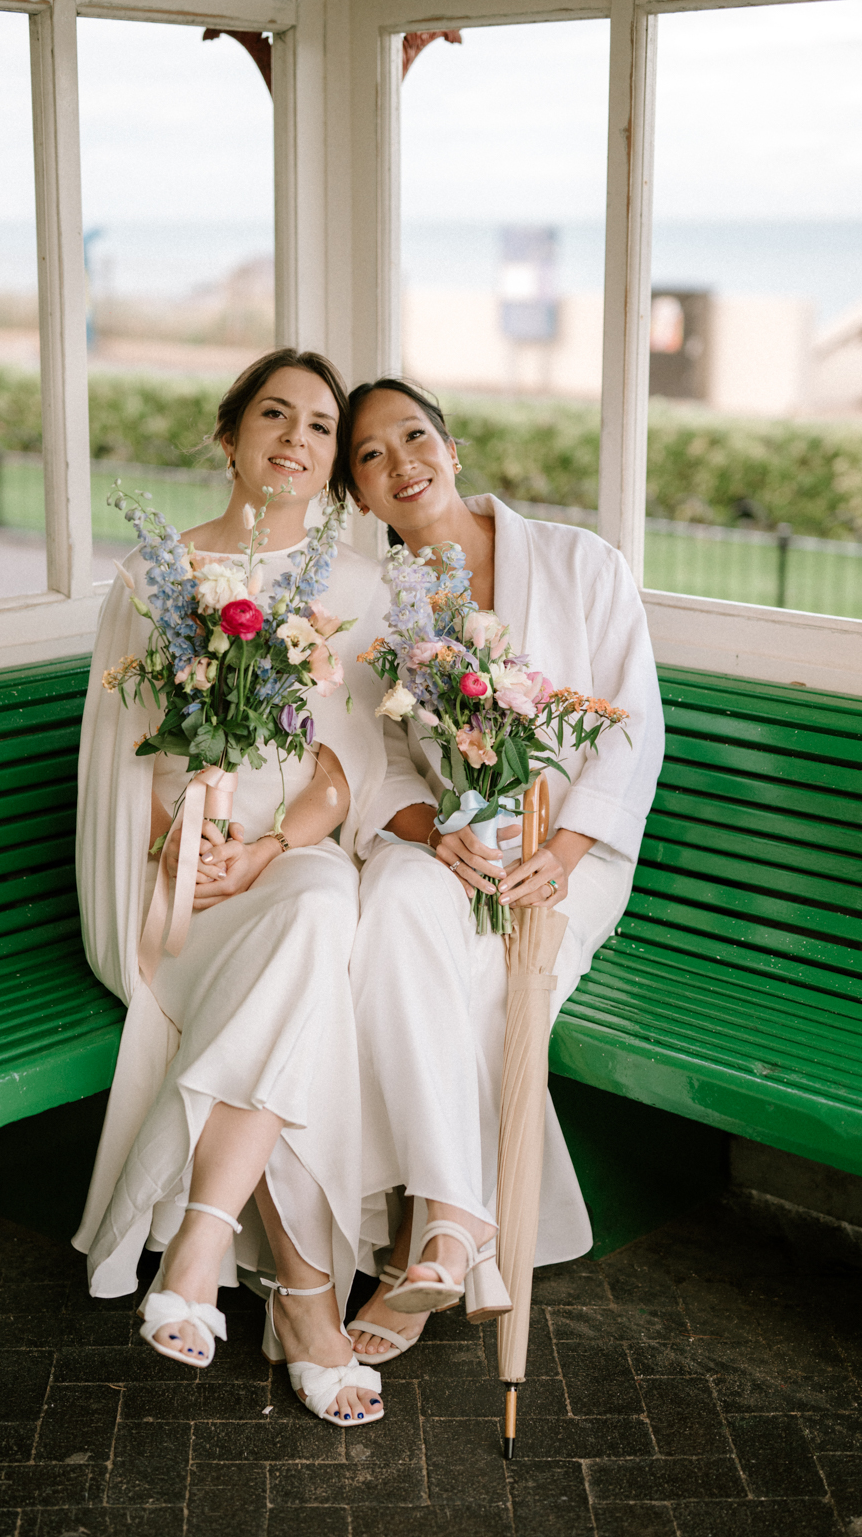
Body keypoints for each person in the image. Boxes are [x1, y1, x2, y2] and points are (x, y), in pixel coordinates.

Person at [72, 350, 414, 1425]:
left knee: (317, 904)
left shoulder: (353, 589)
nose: (297, 438)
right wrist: (184, 842)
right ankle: (306, 1305)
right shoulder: (156, 578)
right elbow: (119, 761)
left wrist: (267, 849)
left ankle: (200, 1241)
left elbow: (343, 770)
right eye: (275, 414)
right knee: (303, 966)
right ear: (231, 436)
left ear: (332, 463)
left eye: (321, 427)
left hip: (285, 851)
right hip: (175, 875)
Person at [344, 378, 665, 1363]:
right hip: (461, 847)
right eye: (369, 454)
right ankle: (461, 1218)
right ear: (356, 494)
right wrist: (432, 834)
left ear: (451, 449)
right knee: (388, 902)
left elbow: (632, 726)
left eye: (414, 436)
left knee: (487, 979)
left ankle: (425, 1240)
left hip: (573, 853)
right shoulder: (377, 609)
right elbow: (380, 759)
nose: (400, 463)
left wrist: (562, 855)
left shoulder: (580, 562)